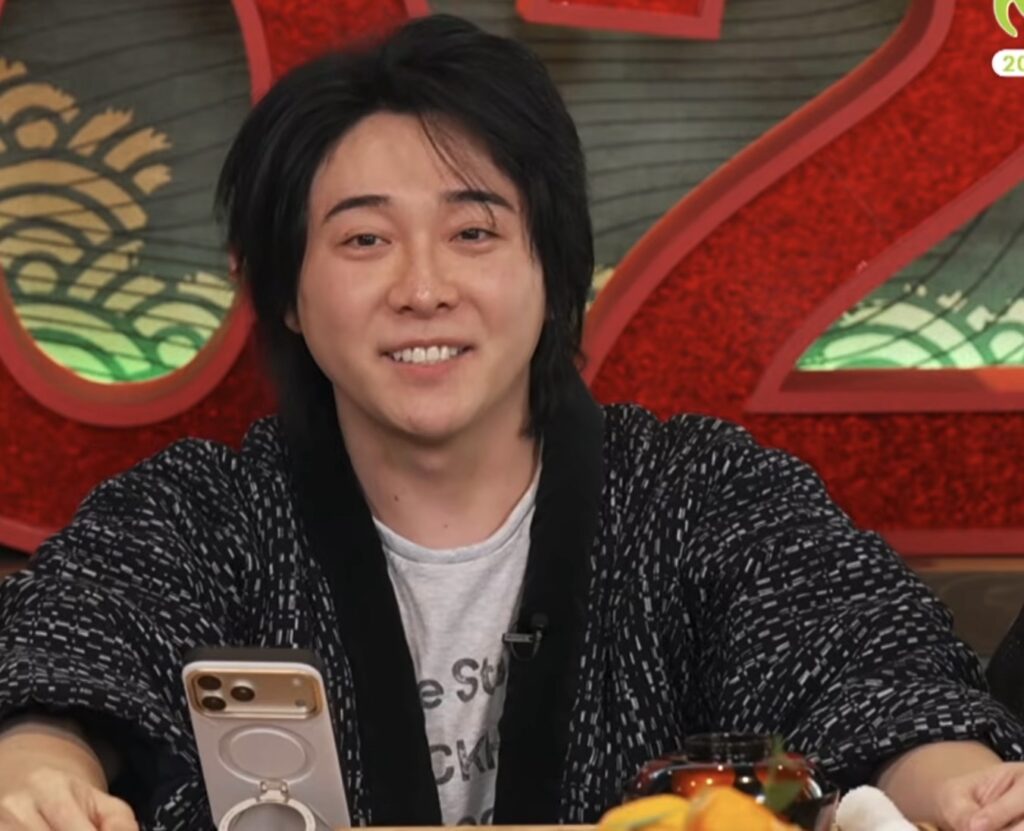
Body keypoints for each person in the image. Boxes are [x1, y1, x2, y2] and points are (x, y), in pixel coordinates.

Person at [0, 13, 1023, 831]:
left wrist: (959, 788)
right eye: (363, 240)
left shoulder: (703, 495)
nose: (423, 288)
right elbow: (65, 660)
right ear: (288, 294)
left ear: (552, 271)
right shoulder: (195, 516)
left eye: (474, 231)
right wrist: (37, 772)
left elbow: (866, 665)